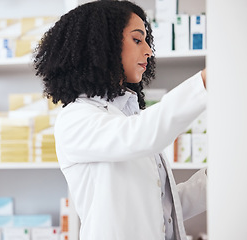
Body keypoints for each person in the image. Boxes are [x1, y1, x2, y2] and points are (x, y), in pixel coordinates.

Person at [34, 1, 207, 240]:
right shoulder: (75, 118)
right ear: (101, 45)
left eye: (147, 41)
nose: (149, 51)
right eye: (137, 40)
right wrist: (204, 83)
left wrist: (218, 176)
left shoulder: (126, 116)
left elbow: (162, 209)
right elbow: (141, 134)